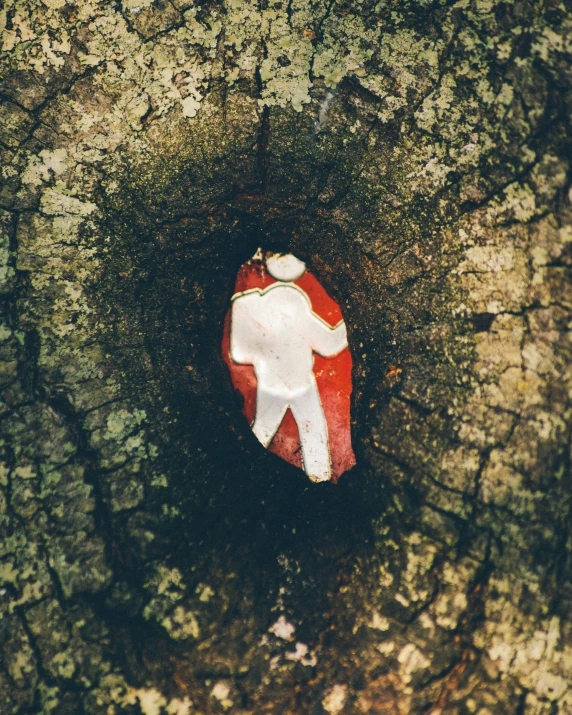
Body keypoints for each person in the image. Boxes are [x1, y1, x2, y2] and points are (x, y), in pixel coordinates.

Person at [230, 253, 348, 482]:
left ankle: (244, 477)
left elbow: (239, 352)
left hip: (269, 384)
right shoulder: (292, 302)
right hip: (300, 385)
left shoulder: (257, 305)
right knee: (313, 433)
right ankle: (320, 480)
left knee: (262, 431)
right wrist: (351, 324)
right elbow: (329, 344)